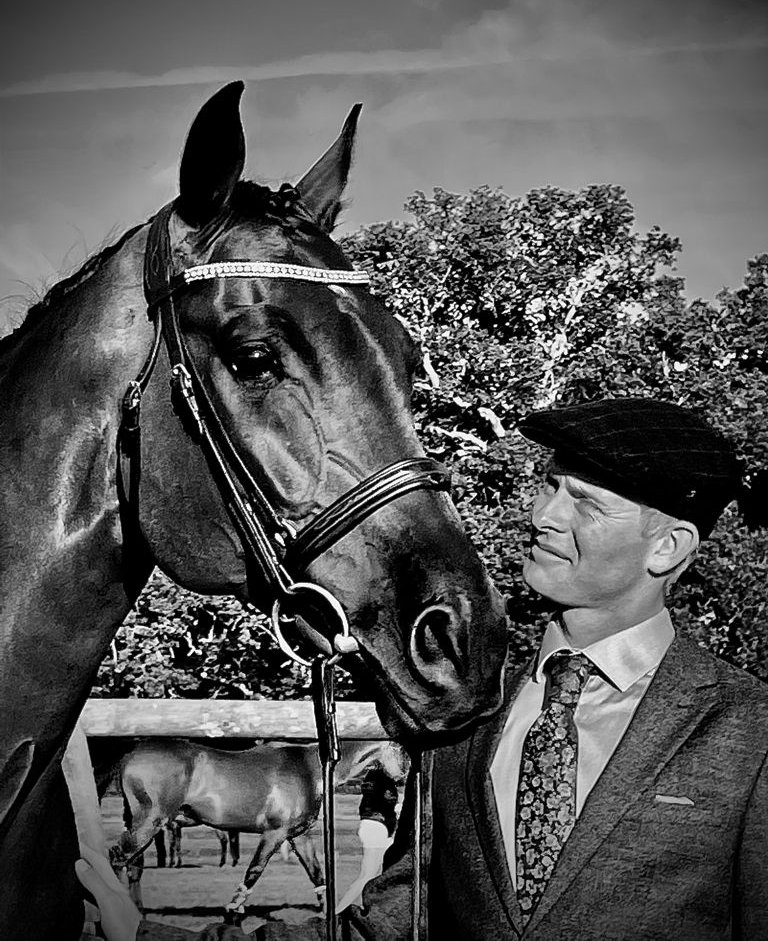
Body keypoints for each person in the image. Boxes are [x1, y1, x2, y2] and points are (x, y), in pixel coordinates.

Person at [77, 397, 768, 940]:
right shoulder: (464, 716)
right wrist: (145, 932)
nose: (542, 515)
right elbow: (393, 925)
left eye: (585, 503)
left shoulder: (749, 732)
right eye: (550, 486)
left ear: (667, 548)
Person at [335, 767, 399, 914]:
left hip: (372, 826)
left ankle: (366, 908)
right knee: (368, 875)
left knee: (375, 873)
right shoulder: (383, 780)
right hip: (377, 827)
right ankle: (338, 911)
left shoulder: (370, 779)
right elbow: (389, 799)